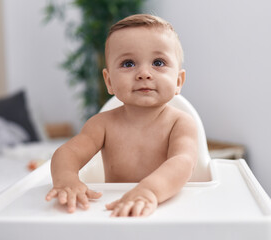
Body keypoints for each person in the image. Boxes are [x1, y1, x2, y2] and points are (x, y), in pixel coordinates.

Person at [45, 14, 198, 217]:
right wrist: (67, 179)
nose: (144, 73)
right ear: (109, 81)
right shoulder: (102, 125)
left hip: (166, 211)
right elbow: (68, 153)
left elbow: (183, 162)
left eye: (158, 62)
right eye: (128, 64)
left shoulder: (180, 123)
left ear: (178, 80)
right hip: (111, 211)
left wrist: (149, 191)